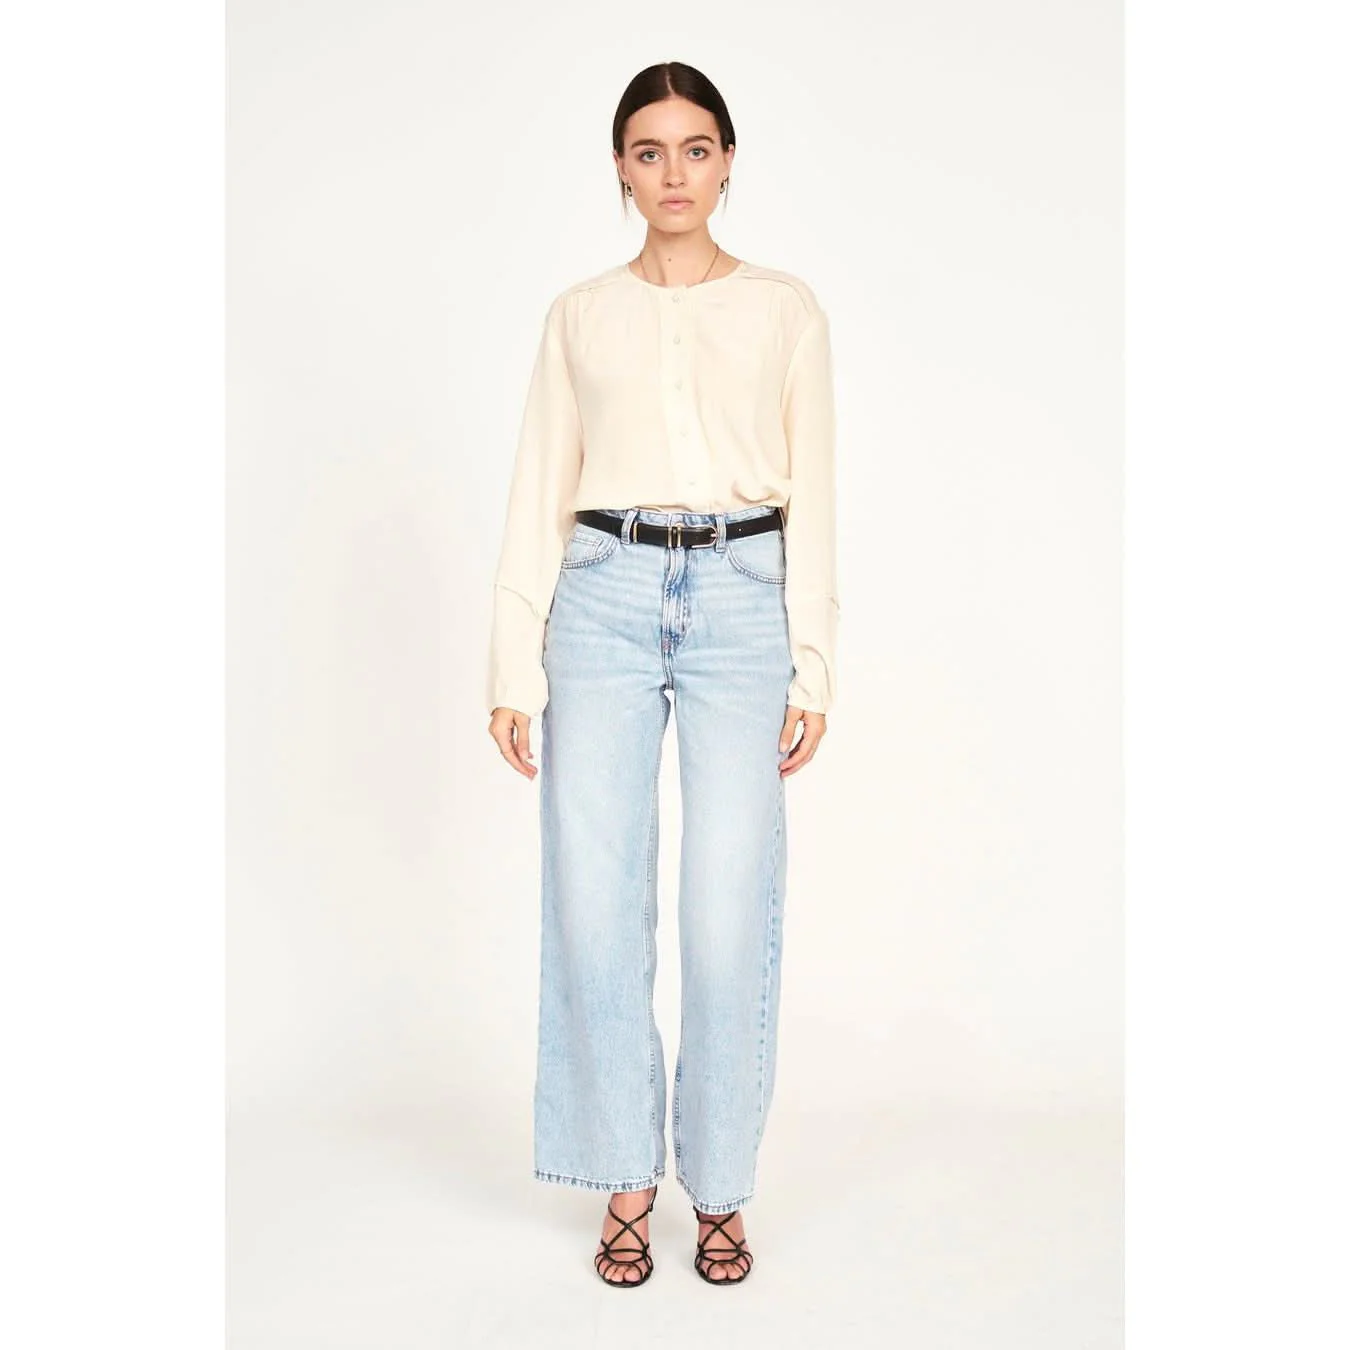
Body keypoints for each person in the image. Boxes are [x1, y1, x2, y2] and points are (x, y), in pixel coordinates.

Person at [485, 60, 839, 1288]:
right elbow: (541, 479)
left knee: (729, 905)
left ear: (728, 162)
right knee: (593, 897)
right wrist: (513, 660)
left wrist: (813, 660)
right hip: (603, 594)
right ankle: (624, 1175)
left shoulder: (786, 310)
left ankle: (722, 1182)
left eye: (696, 149)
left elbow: (817, 490)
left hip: (743, 597)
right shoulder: (579, 315)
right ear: (620, 169)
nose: (673, 173)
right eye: (649, 151)